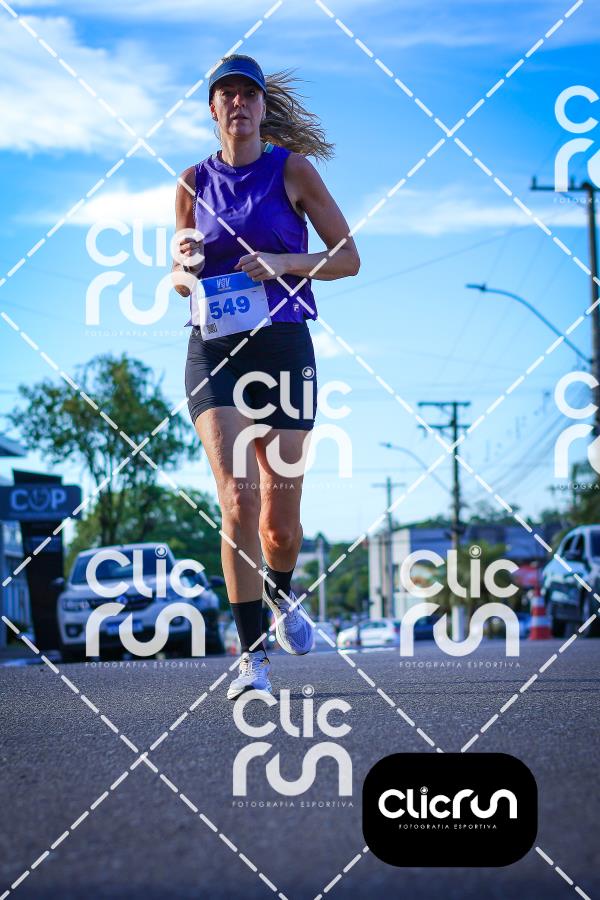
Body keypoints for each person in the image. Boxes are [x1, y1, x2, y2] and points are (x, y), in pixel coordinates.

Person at [171, 54, 360, 699]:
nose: (238, 104)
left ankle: (281, 594)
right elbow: (180, 274)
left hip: (281, 346)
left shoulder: (292, 170)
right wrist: (183, 267)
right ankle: (252, 661)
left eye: (248, 94)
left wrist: (283, 261)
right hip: (215, 349)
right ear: (213, 108)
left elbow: (348, 258)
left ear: (261, 105)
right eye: (226, 94)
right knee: (237, 498)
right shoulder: (192, 181)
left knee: (279, 524)